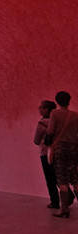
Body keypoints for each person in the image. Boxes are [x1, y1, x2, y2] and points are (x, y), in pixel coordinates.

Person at [46, 90, 78, 218]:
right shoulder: (76, 115)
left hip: (60, 148)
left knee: (62, 178)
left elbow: (50, 131)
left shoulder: (55, 113)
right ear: (69, 101)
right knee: (75, 178)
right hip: (74, 148)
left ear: (57, 101)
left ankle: (64, 208)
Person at [34, 100, 59, 209]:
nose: (39, 109)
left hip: (45, 153)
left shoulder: (42, 123)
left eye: (41, 107)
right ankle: (67, 195)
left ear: (47, 109)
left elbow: (36, 140)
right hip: (58, 151)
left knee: (49, 178)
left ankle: (55, 201)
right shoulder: (57, 122)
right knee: (58, 176)